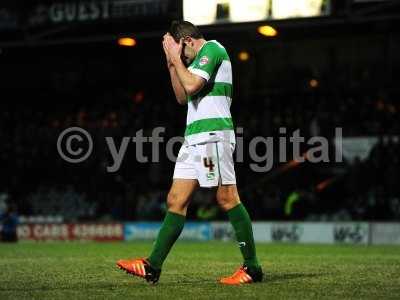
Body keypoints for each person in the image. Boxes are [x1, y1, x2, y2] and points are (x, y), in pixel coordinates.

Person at [117, 20, 263, 285]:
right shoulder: (192, 62)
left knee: (227, 197)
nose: (182, 58)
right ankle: (153, 266)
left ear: (187, 41)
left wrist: (177, 58)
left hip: (212, 135)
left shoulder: (213, 49)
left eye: (182, 52)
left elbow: (193, 86)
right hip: (193, 138)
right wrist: (172, 63)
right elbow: (182, 97)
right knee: (175, 200)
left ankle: (252, 268)